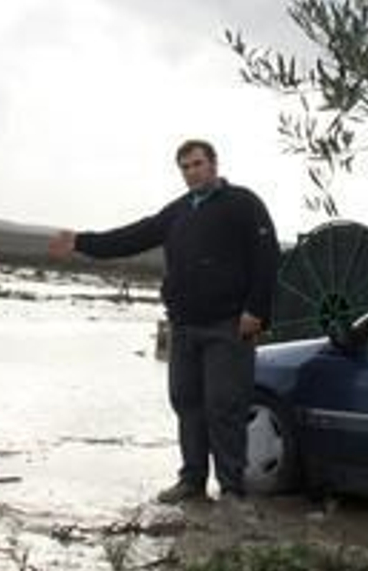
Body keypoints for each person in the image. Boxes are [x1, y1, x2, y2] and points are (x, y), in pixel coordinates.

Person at [48, 139, 279, 504]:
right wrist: (80, 241)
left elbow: (267, 258)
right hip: (185, 325)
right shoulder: (178, 211)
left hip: (229, 325)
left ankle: (233, 488)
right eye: (185, 167)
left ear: (214, 164)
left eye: (197, 164)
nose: (192, 172)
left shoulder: (243, 204)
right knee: (186, 402)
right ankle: (192, 480)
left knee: (225, 406)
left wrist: (257, 311)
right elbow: (132, 237)